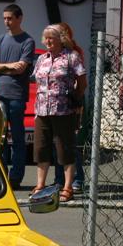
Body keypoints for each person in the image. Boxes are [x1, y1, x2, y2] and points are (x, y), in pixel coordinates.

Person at [29, 25, 85, 201]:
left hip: (63, 110)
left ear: (60, 39)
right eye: (45, 38)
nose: (48, 41)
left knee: (65, 149)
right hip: (42, 110)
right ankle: (40, 185)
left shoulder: (71, 57)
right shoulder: (41, 59)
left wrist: (75, 98)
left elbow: (82, 81)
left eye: (51, 38)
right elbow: (37, 80)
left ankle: (68, 187)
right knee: (41, 148)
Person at [0, 3, 36, 190]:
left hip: (16, 95)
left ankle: (16, 177)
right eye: (5, 18)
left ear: (19, 18)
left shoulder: (27, 41)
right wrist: (9, 66)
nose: (6, 22)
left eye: (10, 18)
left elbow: (21, 68)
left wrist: (1, 67)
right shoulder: (0, 39)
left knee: (17, 138)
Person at [51, 22, 87, 193]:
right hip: (56, 102)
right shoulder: (51, 53)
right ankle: (59, 179)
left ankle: (77, 179)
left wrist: (77, 100)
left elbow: (80, 80)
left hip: (71, 101)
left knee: (71, 142)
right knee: (56, 142)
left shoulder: (75, 52)